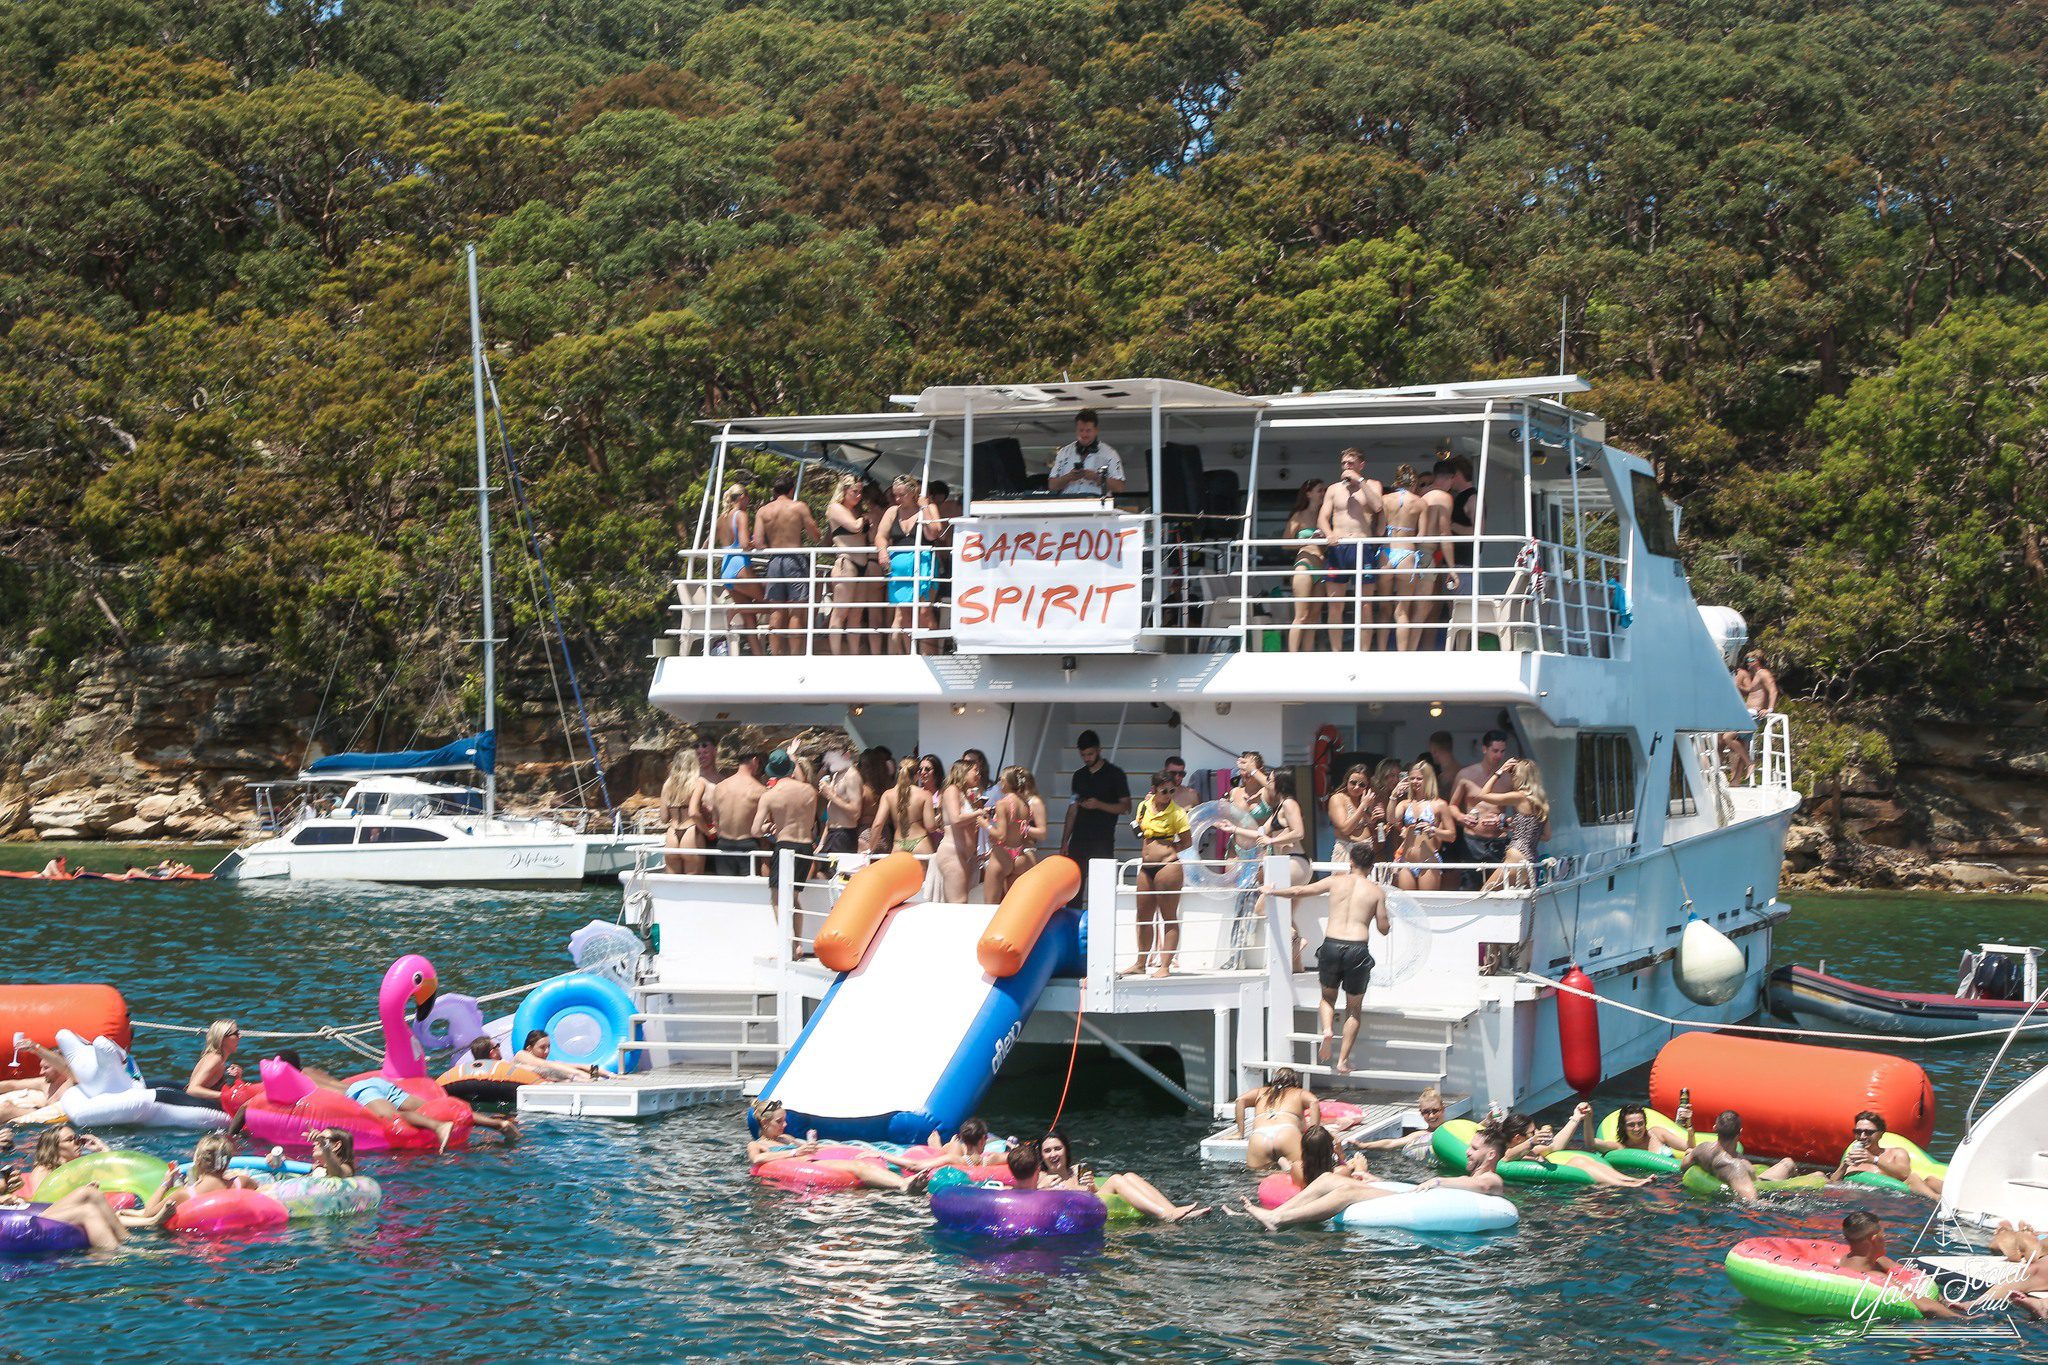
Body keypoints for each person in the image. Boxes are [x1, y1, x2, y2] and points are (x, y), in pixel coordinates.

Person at [1262, 844, 1390, 1074]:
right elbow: (1383, 929)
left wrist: (1272, 891)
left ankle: (1328, 1029)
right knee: (1353, 1010)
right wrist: (1383, 913)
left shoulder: (1336, 881)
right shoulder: (1376, 892)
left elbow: (1299, 891)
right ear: (1371, 867)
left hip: (1331, 944)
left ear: (1350, 861)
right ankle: (1342, 1061)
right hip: (1357, 949)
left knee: (1327, 998)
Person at [1236, 1126, 1507, 1231]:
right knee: (1328, 1181)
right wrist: (1372, 1177)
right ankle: (1275, 1213)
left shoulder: (1492, 1179)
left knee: (1347, 1193)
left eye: (1474, 1148)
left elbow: (1479, 1185)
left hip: (1428, 1201)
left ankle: (1281, 1219)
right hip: (1418, 1196)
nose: (1467, 1152)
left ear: (1491, 1154)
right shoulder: (1473, 1176)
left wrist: (1438, 1181)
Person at [1035, 1127, 1207, 1221]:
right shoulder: (1044, 1177)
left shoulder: (1078, 1169)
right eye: (1047, 1151)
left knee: (1130, 1176)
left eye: (1058, 1148)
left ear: (1066, 1150)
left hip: (1092, 1205)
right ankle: (1165, 1215)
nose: (1053, 1154)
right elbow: (1034, 1199)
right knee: (1116, 1179)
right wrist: (1041, 1188)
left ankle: (1173, 1211)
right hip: (1081, 1214)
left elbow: (1093, 1194)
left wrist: (1091, 1186)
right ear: (1042, 1155)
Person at [1834, 1211, 1964, 1317]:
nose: (1885, 1240)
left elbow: (1917, 1279)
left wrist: (1945, 1302)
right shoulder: (1875, 1277)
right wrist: (1964, 1320)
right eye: (1883, 1236)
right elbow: (1926, 1307)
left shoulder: (1851, 1260)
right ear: (1874, 1239)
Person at [1126, 771, 1193, 977]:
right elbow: (1138, 827)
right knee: (1143, 916)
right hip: (1146, 867)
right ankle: (1140, 963)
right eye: (1164, 791)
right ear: (1154, 790)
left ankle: (1165, 966)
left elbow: (1187, 841)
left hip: (1168, 866)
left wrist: (1169, 850)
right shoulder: (1144, 806)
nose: (1168, 795)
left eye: (1172, 791)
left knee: (1168, 916)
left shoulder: (1177, 813)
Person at [1317, 448, 1384, 648]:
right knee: (1335, 603)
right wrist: (1329, 533)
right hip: (1338, 548)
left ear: (1361, 465)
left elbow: (1378, 506)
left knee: (1365, 604)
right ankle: (1337, 651)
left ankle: (1362, 650)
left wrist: (1359, 481)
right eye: (1344, 463)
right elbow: (1322, 517)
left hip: (1362, 547)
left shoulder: (1372, 485)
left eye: (1351, 463)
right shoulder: (1333, 489)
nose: (1346, 467)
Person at [1497, 1104, 1653, 1187]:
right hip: (1548, 1194)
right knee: (1578, 1162)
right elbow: (1508, 1157)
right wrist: (1531, 1141)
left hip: (1559, 1187)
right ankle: (1626, 1184)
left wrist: (1576, 1117)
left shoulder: (1532, 1150)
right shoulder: (1509, 1155)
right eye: (1532, 1132)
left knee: (1581, 1159)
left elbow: (1556, 1145)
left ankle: (1630, 1180)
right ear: (1518, 1138)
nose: (1537, 1132)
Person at [755, 472, 821, 656]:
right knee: (796, 611)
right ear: (791, 490)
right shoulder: (798, 507)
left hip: (774, 560)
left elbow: (758, 542)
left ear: (774, 491)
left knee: (776, 611)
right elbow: (815, 535)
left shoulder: (763, 511)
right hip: (795, 559)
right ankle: (794, 655)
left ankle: (775, 654)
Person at [876, 474, 942, 654]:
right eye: (895, 495)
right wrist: (882, 551)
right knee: (904, 614)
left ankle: (930, 655)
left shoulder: (928, 508)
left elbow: (933, 534)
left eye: (901, 495)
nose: (897, 499)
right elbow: (880, 536)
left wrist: (925, 507)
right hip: (898, 570)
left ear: (912, 492)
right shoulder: (892, 511)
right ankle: (909, 653)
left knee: (924, 612)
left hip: (923, 566)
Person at [1062, 730, 1130, 900]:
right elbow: (1072, 808)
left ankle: (1101, 924)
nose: (1087, 758)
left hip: (1103, 840)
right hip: (1078, 840)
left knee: (1102, 889)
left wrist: (1098, 804)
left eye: (1090, 754)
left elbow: (1126, 807)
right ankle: (1074, 923)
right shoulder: (1079, 776)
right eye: (1083, 755)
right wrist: (1065, 841)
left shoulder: (1115, 774)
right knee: (1073, 889)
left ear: (1099, 750)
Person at [1679, 1110, 1801, 1202]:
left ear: (1715, 1128)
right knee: (1789, 1163)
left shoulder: (1702, 1149)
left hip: (1727, 1180)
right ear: (1740, 1132)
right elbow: (1752, 1201)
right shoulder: (1736, 1166)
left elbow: (1684, 1165)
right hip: (1759, 1184)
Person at [1378, 464, 1435, 651]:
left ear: (1396, 480)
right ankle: (1403, 655)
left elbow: (1379, 531)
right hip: (1407, 554)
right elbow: (1422, 536)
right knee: (1402, 610)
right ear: (1414, 481)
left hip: (1387, 552)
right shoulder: (1420, 502)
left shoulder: (1385, 499)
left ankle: (1380, 651)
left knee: (1384, 608)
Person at [752, 748, 820, 902]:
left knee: (777, 898)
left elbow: (755, 831)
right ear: (790, 768)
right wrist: (793, 757)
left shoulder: (770, 795)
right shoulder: (808, 790)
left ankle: (786, 928)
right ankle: (795, 928)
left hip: (785, 846)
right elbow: (801, 781)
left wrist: (767, 828)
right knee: (794, 899)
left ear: (771, 771)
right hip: (806, 847)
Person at [1829, 1110, 1944, 1200]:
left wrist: (1874, 1159)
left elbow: (1905, 1175)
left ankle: (1940, 1201)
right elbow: (1832, 1184)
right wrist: (1843, 1166)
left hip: (1902, 1200)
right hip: (1868, 1199)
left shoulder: (1897, 1153)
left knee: (1930, 1180)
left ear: (1881, 1134)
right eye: (1858, 1132)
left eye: (1869, 1132)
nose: (1862, 1136)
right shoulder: (1852, 1158)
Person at [1478, 757, 1550, 891]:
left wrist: (1499, 772)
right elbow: (1546, 836)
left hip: (1516, 857)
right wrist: (1519, 828)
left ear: (1520, 776)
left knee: (1484, 894)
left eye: (1513, 773)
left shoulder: (1519, 797)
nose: (1511, 777)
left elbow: (1483, 795)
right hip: (1531, 860)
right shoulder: (1541, 802)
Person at [825, 474, 878, 656]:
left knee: (856, 615)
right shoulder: (834, 508)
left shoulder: (858, 511)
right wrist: (866, 519)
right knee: (840, 613)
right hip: (846, 562)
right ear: (844, 490)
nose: (858, 495)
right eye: (854, 491)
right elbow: (855, 526)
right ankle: (836, 655)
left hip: (863, 564)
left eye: (860, 492)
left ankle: (854, 655)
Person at [1449, 730, 1514, 875]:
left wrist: (1503, 821)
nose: (1499, 755)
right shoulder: (1465, 775)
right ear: (1484, 749)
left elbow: (1521, 815)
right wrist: (1462, 818)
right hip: (1471, 840)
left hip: (1498, 841)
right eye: (1495, 751)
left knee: (1498, 887)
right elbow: (1452, 805)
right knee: (1469, 886)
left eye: (1502, 751)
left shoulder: (1509, 778)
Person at [1231, 1067, 1320, 1171]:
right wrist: (1313, 1132)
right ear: (1296, 1082)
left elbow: (1240, 1100)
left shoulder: (1260, 1092)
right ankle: (1286, 1167)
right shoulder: (1298, 1092)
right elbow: (1314, 1102)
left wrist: (1240, 1133)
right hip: (1287, 1133)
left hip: (1259, 1137)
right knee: (1302, 1172)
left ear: (1274, 1080)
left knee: (1259, 1180)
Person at [983, 765, 1047, 904]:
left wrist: (985, 824)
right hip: (1019, 854)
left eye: (1001, 779)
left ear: (1007, 782)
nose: (1000, 783)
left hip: (1002, 855)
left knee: (989, 906)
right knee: (1014, 904)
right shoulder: (1025, 804)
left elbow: (1001, 835)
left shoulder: (1003, 803)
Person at [930, 759, 987, 904]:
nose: (978, 775)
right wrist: (978, 812)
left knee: (963, 900)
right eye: (975, 770)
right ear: (964, 771)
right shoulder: (951, 790)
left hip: (964, 854)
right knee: (958, 902)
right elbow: (956, 818)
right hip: (952, 852)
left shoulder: (965, 793)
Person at [1390, 762, 1454, 892]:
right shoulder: (1404, 804)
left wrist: (1433, 830)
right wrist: (1393, 796)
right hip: (1406, 862)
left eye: (1419, 778)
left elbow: (1452, 835)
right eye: (1412, 778)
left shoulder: (1439, 804)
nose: (1415, 781)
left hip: (1428, 861)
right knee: (1407, 906)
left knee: (1427, 905)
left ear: (1428, 780)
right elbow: (1391, 819)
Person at [714, 483, 762, 648]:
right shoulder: (740, 514)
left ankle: (758, 655)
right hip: (739, 566)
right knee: (770, 604)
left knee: (750, 616)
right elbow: (743, 543)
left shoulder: (721, 518)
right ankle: (734, 610)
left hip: (725, 569)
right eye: (748, 498)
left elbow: (707, 544)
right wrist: (755, 543)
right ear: (742, 497)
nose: (748, 502)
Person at [1283, 478, 1328, 652]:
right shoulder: (1299, 515)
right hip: (1304, 565)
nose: (1323, 493)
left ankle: (1307, 654)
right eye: (1319, 490)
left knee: (1314, 617)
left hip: (1321, 566)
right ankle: (1293, 655)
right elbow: (1285, 544)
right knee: (1301, 616)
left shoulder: (1324, 516)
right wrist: (1308, 540)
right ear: (1308, 494)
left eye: (1324, 490)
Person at [709, 751, 769, 876]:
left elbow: (715, 820)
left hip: (724, 844)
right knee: (749, 891)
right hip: (747, 845)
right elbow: (765, 825)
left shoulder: (720, 787)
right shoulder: (760, 790)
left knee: (726, 889)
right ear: (755, 761)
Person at [1346, 1087, 1448, 1158]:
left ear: (1443, 1109)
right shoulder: (1421, 1135)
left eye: (1435, 1111)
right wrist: (1362, 1145)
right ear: (1420, 1113)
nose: (1431, 1116)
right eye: (1426, 1112)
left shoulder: (1454, 1128)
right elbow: (1391, 1143)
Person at [1047, 408, 1125, 497]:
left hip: (1097, 506)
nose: (1084, 434)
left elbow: (1120, 487)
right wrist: (1069, 476)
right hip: (1069, 505)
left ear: (1096, 431)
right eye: (1081, 430)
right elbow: (1052, 485)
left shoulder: (1109, 453)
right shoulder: (1064, 452)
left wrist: (1096, 477)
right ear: (1076, 430)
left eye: (1088, 430)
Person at [867, 756, 937, 856]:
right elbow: (930, 826)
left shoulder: (888, 795)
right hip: (921, 843)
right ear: (917, 775)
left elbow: (878, 824)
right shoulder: (925, 795)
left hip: (898, 845)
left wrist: (870, 849)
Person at [660, 748, 711, 875]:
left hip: (672, 834)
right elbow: (693, 812)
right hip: (691, 833)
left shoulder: (667, 784)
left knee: (672, 883)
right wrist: (708, 831)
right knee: (694, 884)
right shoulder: (698, 783)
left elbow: (664, 818)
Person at [23, 1125, 111, 1198]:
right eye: (69, 1139)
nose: (77, 1142)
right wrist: (81, 1194)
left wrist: (101, 1148)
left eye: (77, 1138)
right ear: (53, 1147)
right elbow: (40, 1201)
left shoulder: (80, 1167)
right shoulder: (43, 1170)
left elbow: (116, 1171)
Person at [1593, 1101, 1696, 1158]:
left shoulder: (1657, 1134)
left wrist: (1689, 1126)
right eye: (1631, 1125)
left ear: (1645, 1123)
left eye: (1640, 1123)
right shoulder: (1622, 1147)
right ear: (1623, 1127)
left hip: (1672, 1180)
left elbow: (1689, 1147)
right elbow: (1594, 1143)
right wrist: (1586, 1118)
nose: (1637, 1128)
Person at [816, 746, 865, 859]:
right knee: (825, 873)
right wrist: (822, 842)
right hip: (832, 833)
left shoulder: (852, 776)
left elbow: (855, 813)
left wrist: (830, 794)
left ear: (846, 755)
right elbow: (831, 812)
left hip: (844, 833)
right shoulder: (837, 775)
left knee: (840, 875)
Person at [185, 1018, 242, 1106]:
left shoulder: (215, 1057)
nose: (240, 1037)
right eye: (236, 1033)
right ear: (222, 1038)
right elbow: (192, 1089)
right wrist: (225, 1096)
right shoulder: (215, 1059)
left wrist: (238, 1078)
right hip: (196, 1107)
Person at [1325, 763, 1373, 864]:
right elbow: (1345, 829)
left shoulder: (1368, 800)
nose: (1356, 787)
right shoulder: (1338, 798)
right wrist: (1363, 806)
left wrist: (1376, 821)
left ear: (1367, 786)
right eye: (1353, 783)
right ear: (1347, 781)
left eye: (1362, 785)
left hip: (1366, 851)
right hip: (1346, 850)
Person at [513, 1030, 604, 1082]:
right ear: (529, 1049)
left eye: (548, 1047)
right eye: (542, 1047)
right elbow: (548, 1067)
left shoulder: (546, 1062)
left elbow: (576, 1066)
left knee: (565, 1066)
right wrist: (585, 1077)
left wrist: (610, 1075)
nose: (547, 1051)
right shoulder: (521, 1055)